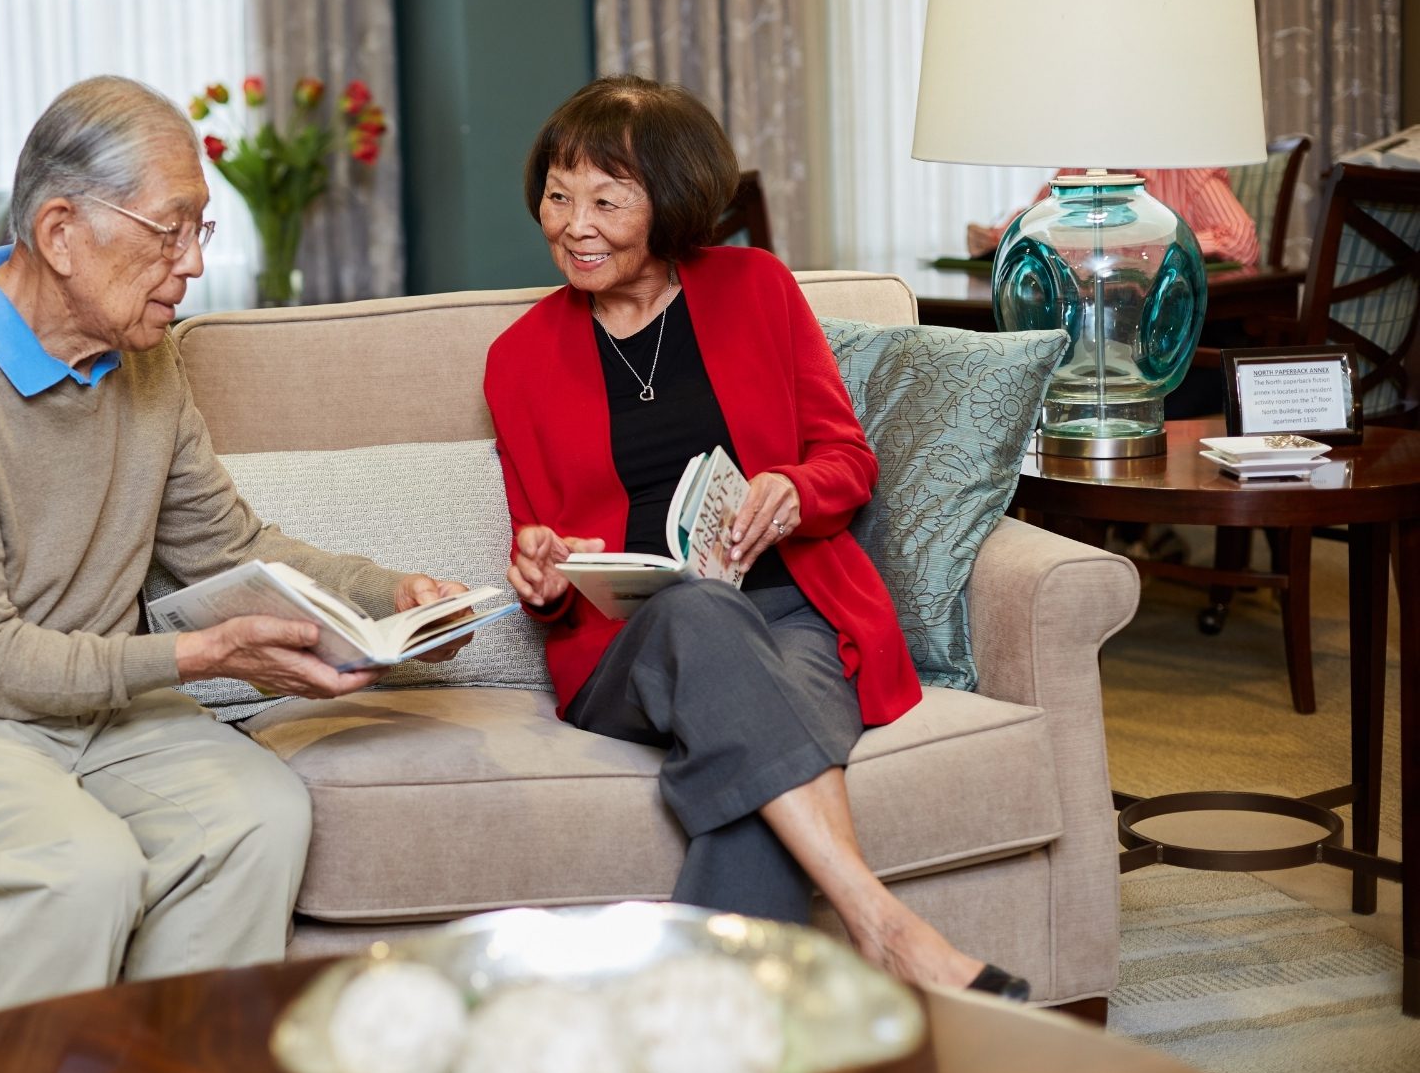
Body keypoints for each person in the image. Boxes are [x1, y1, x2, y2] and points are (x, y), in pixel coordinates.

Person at [0, 75, 472, 1018]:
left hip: (93, 713)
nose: (193, 263)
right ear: (60, 231)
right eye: (172, 229)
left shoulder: (144, 359)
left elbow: (226, 546)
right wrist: (202, 657)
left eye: (199, 231)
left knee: (259, 817)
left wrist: (390, 595)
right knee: (77, 869)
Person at [483, 74, 1029, 1001]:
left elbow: (847, 461)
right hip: (631, 645)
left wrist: (793, 488)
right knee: (698, 609)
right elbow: (546, 548)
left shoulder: (756, 290)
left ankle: (691, 1029)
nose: (575, 224)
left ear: (674, 204)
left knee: (762, 781)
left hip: (793, 614)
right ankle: (882, 925)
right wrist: (540, 565)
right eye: (558, 194)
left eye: (609, 201)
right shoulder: (520, 358)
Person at [967, 167, 1259, 265]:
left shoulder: (1186, 167)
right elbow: (1034, 224)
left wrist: (1155, 242)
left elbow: (1241, 241)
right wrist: (994, 237)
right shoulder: (1080, 168)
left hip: (1178, 330)